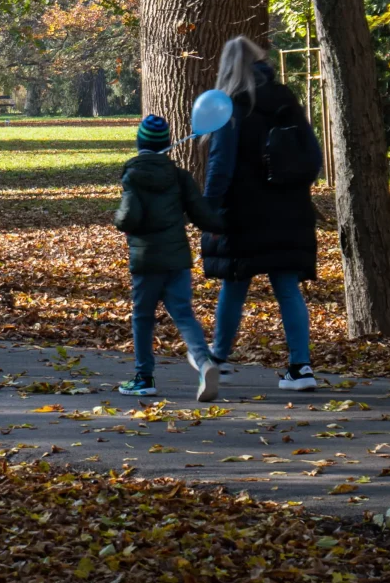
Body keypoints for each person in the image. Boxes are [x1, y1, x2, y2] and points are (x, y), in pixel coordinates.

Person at [202, 36, 321, 390]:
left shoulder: (230, 107)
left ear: (226, 67)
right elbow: (312, 158)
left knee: (234, 284)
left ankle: (219, 359)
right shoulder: (286, 101)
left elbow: (221, 165)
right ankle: (301, 367)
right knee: (287, 288)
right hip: (290, 209)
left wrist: (209, 211)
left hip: (244, 212)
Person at [113, 112, 223, 397]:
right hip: (177, 259)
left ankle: (144, 377)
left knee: (143, 317)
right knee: (184, 314)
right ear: (167, 144)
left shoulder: (133, 176)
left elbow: (128, 218)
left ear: (140, 144)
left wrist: (121, 219)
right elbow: (200, 211)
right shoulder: (179, 176)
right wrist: (218, 228)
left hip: (146, 259)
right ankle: (203, 361)